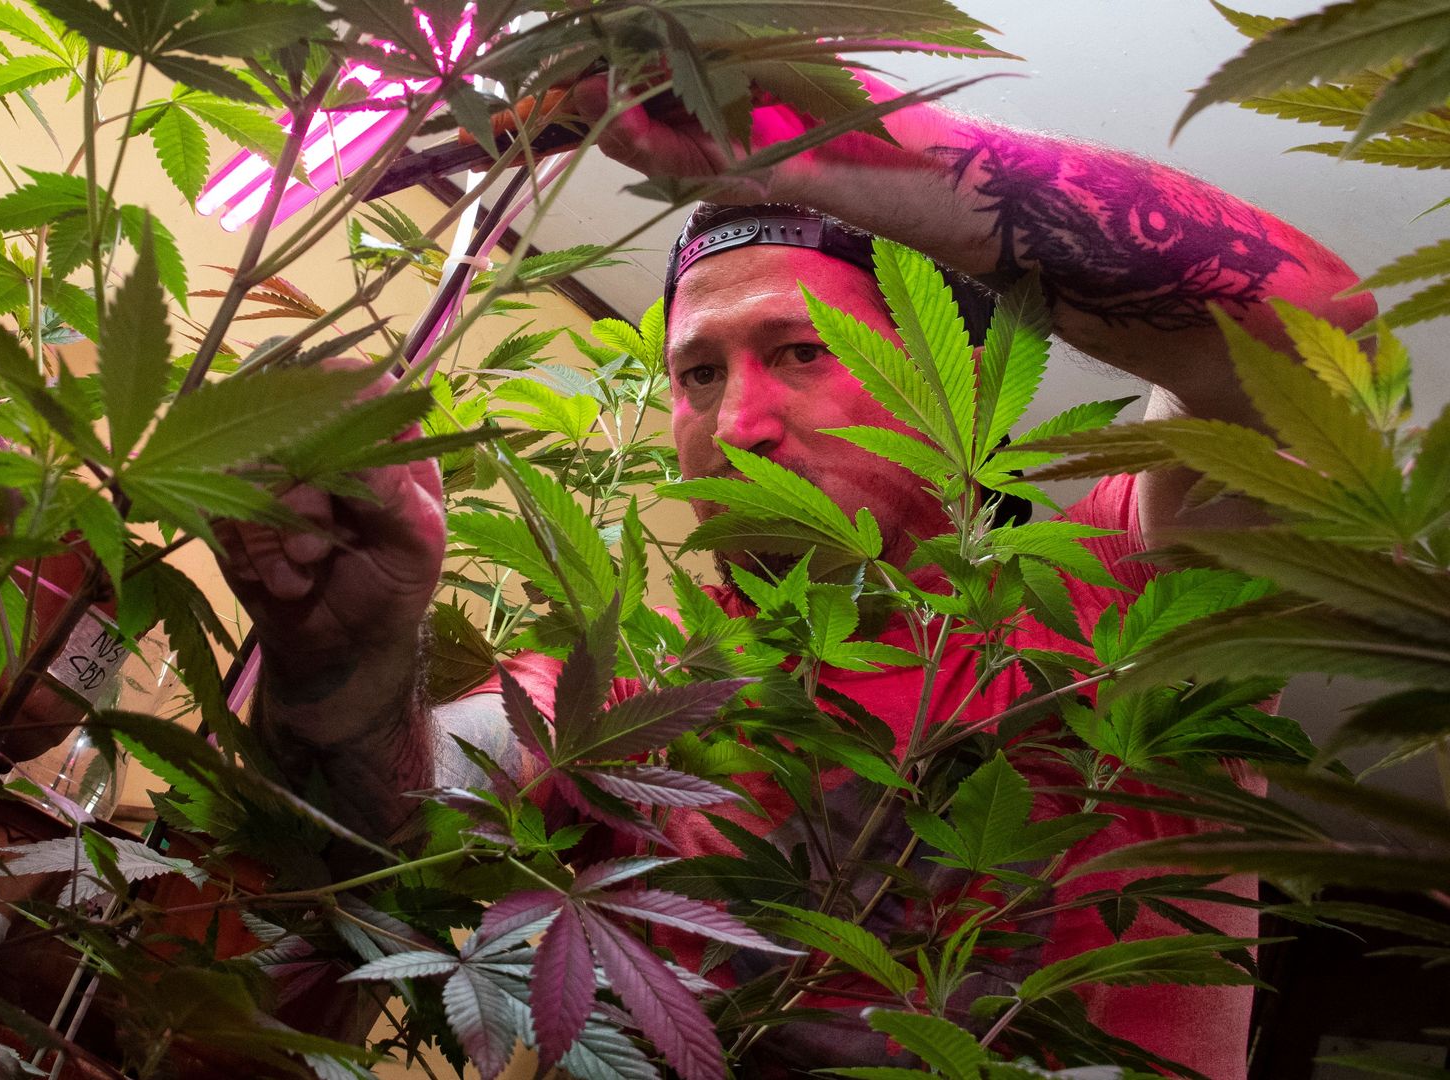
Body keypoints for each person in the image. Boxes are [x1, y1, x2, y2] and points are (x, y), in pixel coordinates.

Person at [213, 69, 1372, 1076]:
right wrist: (347, 669)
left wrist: (812, 132)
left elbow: (1315, 328)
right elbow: (363, 857)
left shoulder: (1120, 592)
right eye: (699, 375)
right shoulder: (636, 696)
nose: (738, 423)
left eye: (800, 352)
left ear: (955, 385)